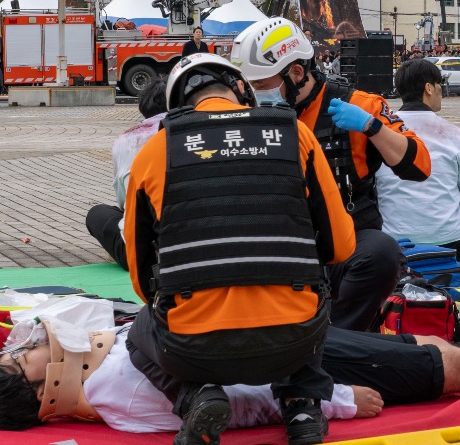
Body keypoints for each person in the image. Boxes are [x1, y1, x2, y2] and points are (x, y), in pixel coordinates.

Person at [121, 53, 356, 445]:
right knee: (315, 286)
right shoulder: (295, 134)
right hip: (296, 340)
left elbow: (141, 281)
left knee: (137, 333)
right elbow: (341, 247)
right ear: (242, 88)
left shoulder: (154, 152)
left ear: (177, 106)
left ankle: (196, 396)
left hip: (190, 349)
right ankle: (302, 407)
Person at [0, 296, 460, 436]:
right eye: (23, 358)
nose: (30, 346)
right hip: (296, 368)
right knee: (453, 370)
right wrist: (336, 400)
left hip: (277, 339)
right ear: (45, 388)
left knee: (429, 353)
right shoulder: (118, 394)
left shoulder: (103, 368)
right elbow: (240, 403)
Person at [231, 18, 432, 332]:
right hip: (280, 245)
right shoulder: (245, 116)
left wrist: (371, 127)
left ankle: (338, 337)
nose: (254, 95)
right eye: (250, 86)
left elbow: (420, 166)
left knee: (381, 253)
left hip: (343, 245)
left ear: (296, 73)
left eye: (261, 85)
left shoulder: (358, 106)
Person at [386, 58, 460, 260]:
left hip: (392, 245)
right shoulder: (455, 135)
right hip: (448, 244)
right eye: (440, 83)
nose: (442, 90)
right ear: (429, 88)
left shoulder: (382, 132)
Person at [85, 77, 168, 270]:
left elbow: (124, 200)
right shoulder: (193, 132)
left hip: (142, 254)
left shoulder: (124, 140)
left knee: (97, 213)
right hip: (193, 243)